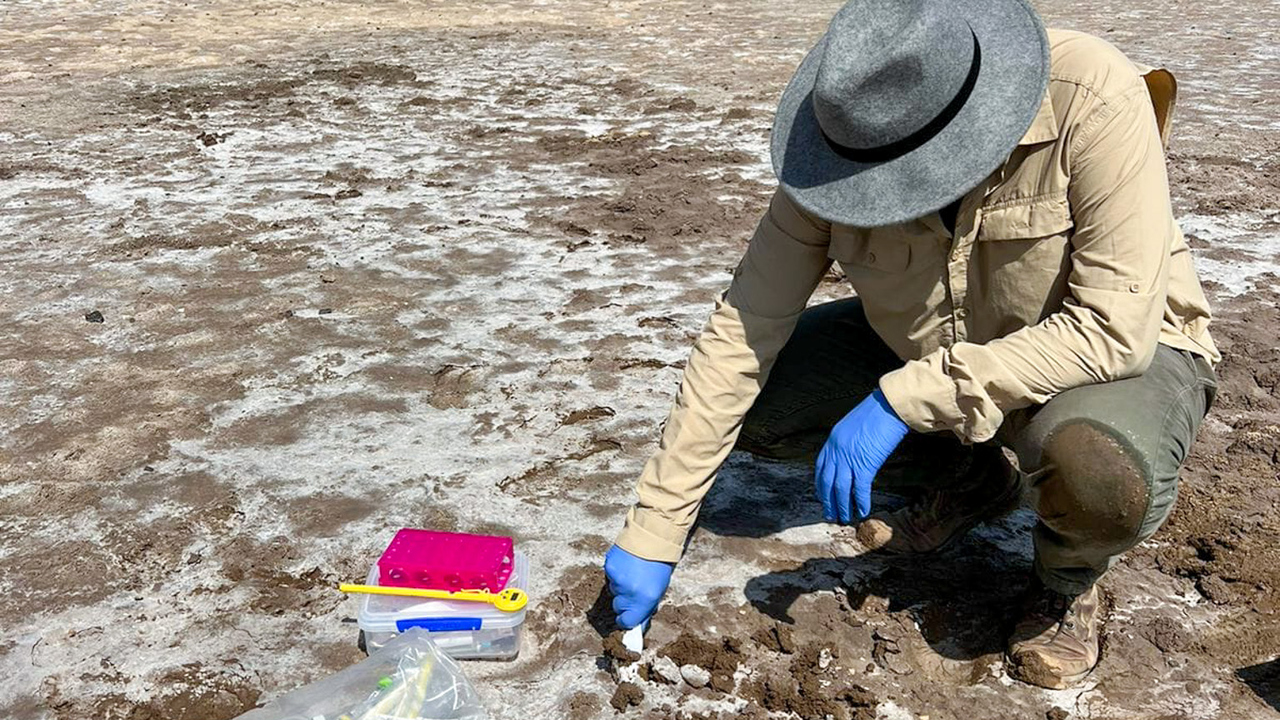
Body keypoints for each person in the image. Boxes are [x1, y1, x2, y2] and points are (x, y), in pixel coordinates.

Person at [602, 0, 1220, 690]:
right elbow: (744, 326)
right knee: (761, 405)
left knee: (1101, 472)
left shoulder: (1091, 94)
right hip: (931, 345)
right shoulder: (840, 137)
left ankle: (1067, 579)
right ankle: (973, 475)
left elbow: (1112, 329)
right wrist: (653, 529)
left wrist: (902, 401)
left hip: (1106, 360)